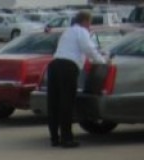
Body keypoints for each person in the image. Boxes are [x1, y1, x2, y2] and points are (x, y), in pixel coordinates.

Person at [46, 10, 107, 148]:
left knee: (54, 103)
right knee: (66, 103)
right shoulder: (82, 31)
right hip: (68, 67)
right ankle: (66, 138)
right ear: (85, 21)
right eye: (90, 22)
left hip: (54, 65)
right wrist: (102, 61)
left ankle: (54, 138)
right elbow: (88, 48)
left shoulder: (68, 31)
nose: (90, 25)